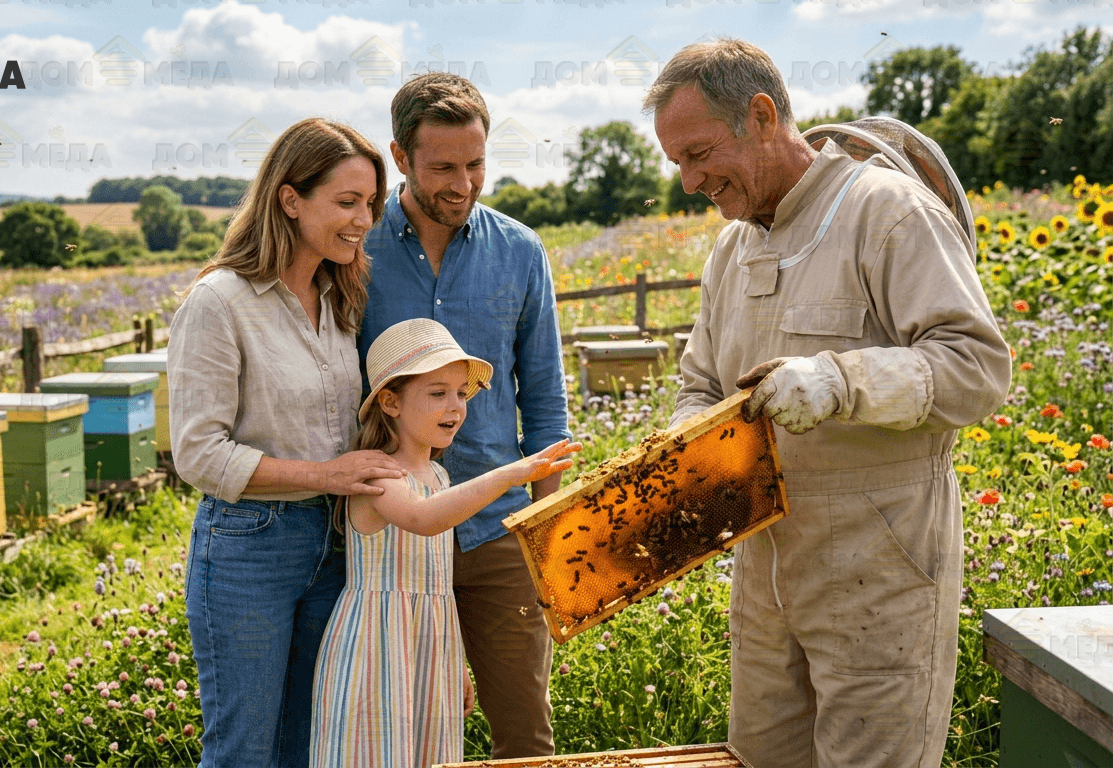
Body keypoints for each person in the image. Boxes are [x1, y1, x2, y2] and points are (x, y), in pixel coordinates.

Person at [645, 38, 1011, 768]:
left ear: (760, 114)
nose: (688, 181)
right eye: (677, 162)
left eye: (698, 153)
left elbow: (977, 368)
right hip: (765, 580)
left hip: (879, 577)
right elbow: (701, 383)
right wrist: (691, 433)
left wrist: (843, 382)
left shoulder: (887, 214)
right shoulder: (731, 248)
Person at [167, 117, 405, 768]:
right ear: (290, 198)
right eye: (347, 202)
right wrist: (328, 475)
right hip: (249, 550)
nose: (364, 220)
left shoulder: (338, 298)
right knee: (244, 752)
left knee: (307, 746)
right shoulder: (220, 302)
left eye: (371, 204)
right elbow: (198, 454)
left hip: (331, 549)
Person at [358, 72, 573, 759]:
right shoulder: (352, 252)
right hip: (385, 534)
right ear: (400, 157)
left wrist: (548, 536)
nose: (463, 182)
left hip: (497, 533)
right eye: (443, 167)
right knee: (399, 731)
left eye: (476, 164)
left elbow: (544, 401)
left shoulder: (520, 250)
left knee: (524, 734)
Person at [312, 318, 580, 768]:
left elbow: (439, 583)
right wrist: (509, 474)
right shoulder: (379, 474)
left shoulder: (438, 476)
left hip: (428, 646)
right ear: (391, 402)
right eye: (437, 393)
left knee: (429, 756)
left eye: (460, 392)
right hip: (378, 646)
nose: (454, 405)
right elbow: (424, 519)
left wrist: (454, 657)